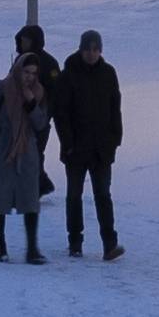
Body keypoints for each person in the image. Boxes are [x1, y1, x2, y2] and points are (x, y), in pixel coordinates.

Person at [0, 30, 56, 265]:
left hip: (27, 154)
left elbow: (40, 123)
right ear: (18, 68)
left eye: (33, 73)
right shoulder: (1, 88)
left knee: (30, 201)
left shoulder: (38, 93)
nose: (29, 77)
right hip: (2, 153)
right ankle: (1, 246)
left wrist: (31, 104)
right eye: (26, 72)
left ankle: (32, 249)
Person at [54, 30, 127, 260]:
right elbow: (61, 113)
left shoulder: (108, 73)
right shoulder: (68, 75)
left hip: (101, 148)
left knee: (103, 196)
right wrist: (68, 143)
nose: (92, 53)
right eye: (88, 49)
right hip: (75, 148)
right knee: (74, 196)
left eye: (96, 49)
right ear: (81, 49)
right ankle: (75, 242)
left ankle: (109, 244)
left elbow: (115, 107)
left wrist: (115, 138)